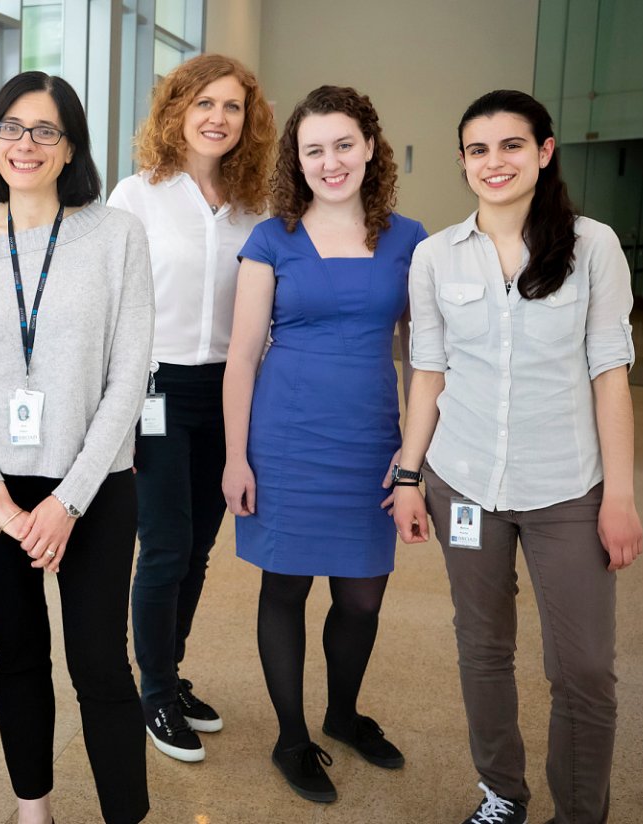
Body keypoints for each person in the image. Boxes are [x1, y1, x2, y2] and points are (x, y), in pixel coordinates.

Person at [391, 89, 642, 824]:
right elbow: (428, 373)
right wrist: (410, 475)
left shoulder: (593, 246)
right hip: (462, 480)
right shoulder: (436, 255)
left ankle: (580, 813)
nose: (493, 162)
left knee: (586, 669)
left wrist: (619, 497)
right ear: (463, 160)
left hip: (568, 486)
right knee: (482, 647)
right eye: (477, 149)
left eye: (510, 145)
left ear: (544, 151)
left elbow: (610, 374)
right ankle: (503, 790)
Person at [0, 71, 154, 824]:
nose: (24, 144)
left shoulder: (116, 233)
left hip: (93, 482)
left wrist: (66, 501)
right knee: (19, 654)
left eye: (45, 130)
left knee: (98, 663)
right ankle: (35, 810)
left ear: (70, 147)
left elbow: (130, 375)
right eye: (10, 128)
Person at [222, 85, 425, 803]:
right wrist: (236, 456)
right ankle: (291, 736)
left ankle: (343, 714)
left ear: (371, 147)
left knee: (363, 597)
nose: (331, 162)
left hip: (372, 439)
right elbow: (243, 354)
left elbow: (420, 358)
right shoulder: (272, 238)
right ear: (296, 160)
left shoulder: (409, 239)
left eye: (344, 145)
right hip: (286, 438)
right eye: (315, 150)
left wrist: (414, 462)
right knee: (285, 587)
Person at [106, 53, 276, 764]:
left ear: (248, 121)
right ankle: (153, 696)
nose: (217, 117)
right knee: (166, 546)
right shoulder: (136, 196)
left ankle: (168, 676)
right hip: (156, 390)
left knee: (201, 547)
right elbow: (108, 309)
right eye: (203, 102)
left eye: (232, 106)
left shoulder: (253, 205)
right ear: (176, 110)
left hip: (231, 390)